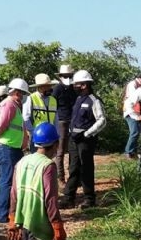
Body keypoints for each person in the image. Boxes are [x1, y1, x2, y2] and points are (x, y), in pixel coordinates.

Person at [8, 122, 67, 240]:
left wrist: (13, 217)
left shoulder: (22, 162)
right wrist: (57, 225)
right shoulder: (48, 166)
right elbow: (50, 200)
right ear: (55, 144)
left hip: (26, 222)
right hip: (39, 226)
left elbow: (13, 192)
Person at [59, 70, 107, 209]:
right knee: (73, 168)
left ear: (84, 85)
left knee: (86, 168)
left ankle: (89, 199)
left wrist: (87, 134)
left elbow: (102, 120)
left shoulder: (94, 100)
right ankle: (69, 198)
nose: (75, 86)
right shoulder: (78, 99)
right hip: (73, 139)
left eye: (77, 84)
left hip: (86, 140)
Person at [0, 78, 30, 223]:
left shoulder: (14, 106)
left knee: (10, 180)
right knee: (6, 180)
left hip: (12, 147)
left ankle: (9, 212)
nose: (22, 97)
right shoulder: (10, 104)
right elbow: (2, 123)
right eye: (21, 93)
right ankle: (3, 215)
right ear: (16, 92)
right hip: (7, 147)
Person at [52, 64, 77, 185]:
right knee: (60, 151)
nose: (68, 77)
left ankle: (73, 176)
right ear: (61, 76)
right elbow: (53, 105)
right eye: (65, 76)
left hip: (73, 121)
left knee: (73, 149)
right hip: (61, 121)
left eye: (69, 75)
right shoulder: (57, 89)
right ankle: (60, 177)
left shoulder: (74, 88)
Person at [24, 73, 59, 154]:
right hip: (37, 138)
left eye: (50, 86)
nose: (50, 88)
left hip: (50, 137)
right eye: (47, 86)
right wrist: (33, 133)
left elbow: (56, 119)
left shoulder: (53, 100)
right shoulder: (31, 98)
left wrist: (57, 135)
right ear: (40, 87)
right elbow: (25, 118)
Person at [122, 72, 141, 159]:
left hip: (136, 113)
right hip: (131, 112)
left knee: (136, 132)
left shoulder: (137, 85)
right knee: (135, 132)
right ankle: (128, 152)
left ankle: (133, 152)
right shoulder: (132, 85)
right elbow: (134, 98)